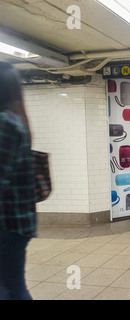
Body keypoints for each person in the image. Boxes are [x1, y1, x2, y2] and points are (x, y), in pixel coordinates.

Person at [0, 61, 36, 300]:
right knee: (12, 287)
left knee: (10, 288)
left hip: (7, 225)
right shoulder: (16, 120)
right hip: (16, 223)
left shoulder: (5, 123)